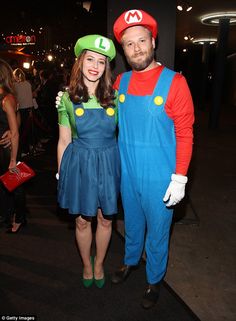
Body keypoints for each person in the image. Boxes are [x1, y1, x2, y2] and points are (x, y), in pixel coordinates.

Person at [110, 9, 194, 309]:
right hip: (128, 172)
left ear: (153, 42)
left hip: (160, 176)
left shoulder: (176, 83)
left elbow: (185, 133)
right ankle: (130, 260)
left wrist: (180, 177)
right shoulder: (120, 82)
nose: (136, 48)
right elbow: (104, 116)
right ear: (123, 49)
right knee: (131, 222)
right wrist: (70, 102)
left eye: (142, 40)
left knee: (158, 231)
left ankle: (154, 279)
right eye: (129, 44)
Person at [56, 35, 120, 288]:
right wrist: (62, 175)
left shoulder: (116, 97)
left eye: (101, 62)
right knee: (83, 219)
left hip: (108, 162)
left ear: (107, 67)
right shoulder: (66, 99)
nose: (95, 66)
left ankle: (100, 263)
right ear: (80, 62)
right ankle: (86, 263)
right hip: (80, 164)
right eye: (90, 59)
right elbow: (64, 140)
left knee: (105, 219)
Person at [0, 59, 27, 233]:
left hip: (8, 149)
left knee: (15, 184)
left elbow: (16, 131)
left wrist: (12, 159)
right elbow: (17, 119)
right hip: (3, 146)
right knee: (4, 184)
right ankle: (7, 214)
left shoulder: (6, 98)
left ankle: (20, 218)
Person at [13, 68, 35, 156]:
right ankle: (29, 148)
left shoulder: (15, 85)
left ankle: (23, 150)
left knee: (21, 131)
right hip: (29, 109)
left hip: (20, 109)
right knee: (28, 130)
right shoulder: (28, 84)